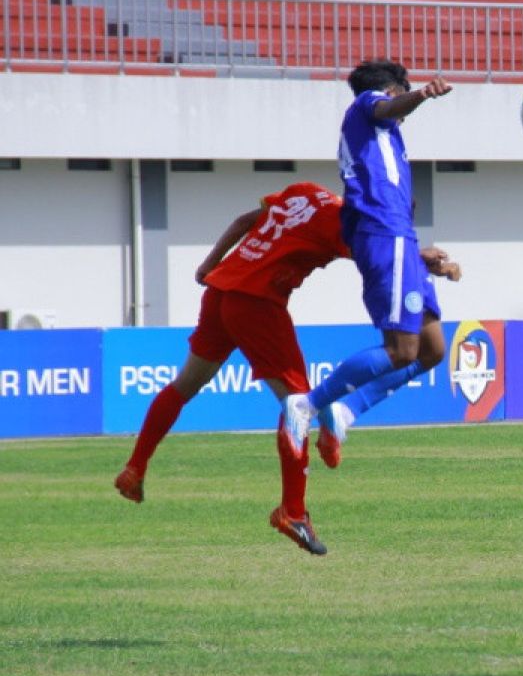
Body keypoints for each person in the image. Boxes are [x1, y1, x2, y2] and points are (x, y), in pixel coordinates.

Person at [113, 181, 350, 556]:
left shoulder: (305, 191)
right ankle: (293, 511)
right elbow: (383, 259)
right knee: (298, 405)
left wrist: (209, 264)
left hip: (221, 290)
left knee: (185, 385)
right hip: (257, 302)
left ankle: (135, 468)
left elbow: (244, 221)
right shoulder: (347, 223)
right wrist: (425, 261)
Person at [281, 60, 459, 459]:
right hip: (385, 232)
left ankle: (344, 410)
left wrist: (418, 255)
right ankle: (306, 405)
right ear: (393, 89)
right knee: (401, 350)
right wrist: (421, 95)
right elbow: (385, 107)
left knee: (431, 349)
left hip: (399, 238)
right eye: (402, 91)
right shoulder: (368, 106)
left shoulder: (384, 141)